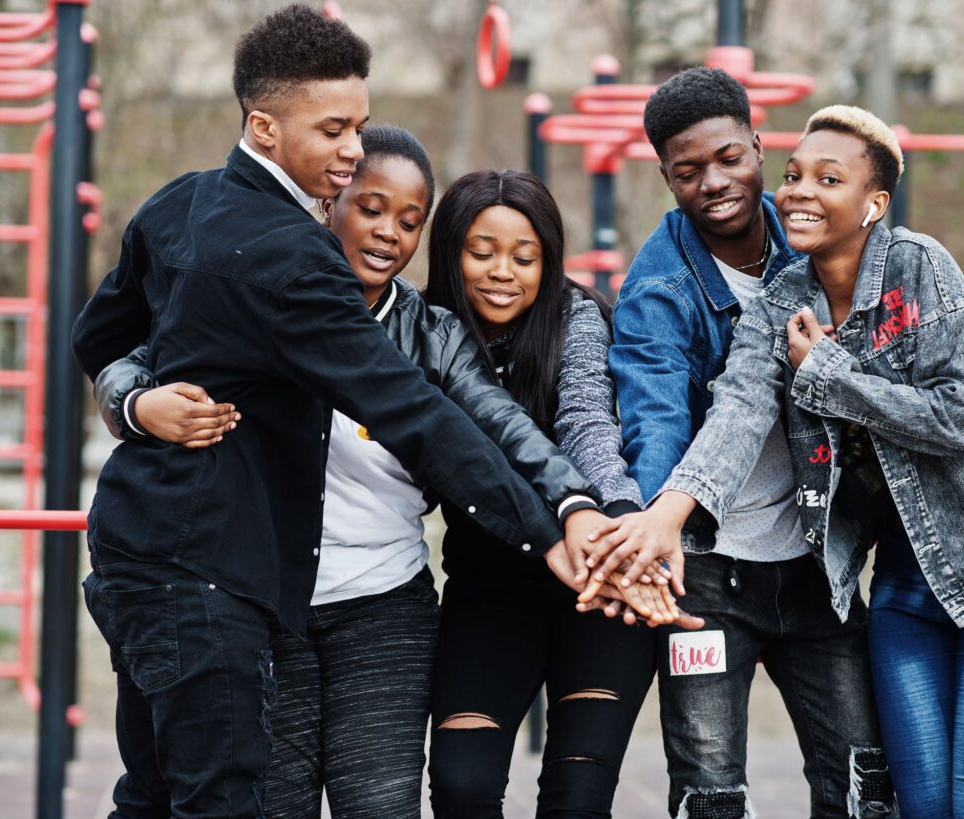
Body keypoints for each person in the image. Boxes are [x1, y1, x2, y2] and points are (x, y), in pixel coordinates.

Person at [71, 8, 619, 816]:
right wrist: (546, 532)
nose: (353, 148)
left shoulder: (180, 201)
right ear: (263, 124)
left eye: (358, 126)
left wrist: (134, 396)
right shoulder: (298, 260)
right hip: (204, 573)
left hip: (138, 551)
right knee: (218, 797)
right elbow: (411, 411)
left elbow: (99, 332)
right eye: (333, 130)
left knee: (152, 793)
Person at [596, 102, 964, 816]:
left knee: (919, 793)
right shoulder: (774, 296)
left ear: (873, 201)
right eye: (795, 174)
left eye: (826, 178)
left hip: (933, 570)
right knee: (904, 800)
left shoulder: (915, 265)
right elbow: (734, 410)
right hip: (817, 579)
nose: (798, 192)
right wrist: (663, 514)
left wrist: (830, 374)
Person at [423, 169, 694, 819]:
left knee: (578, 798)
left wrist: (625, 522)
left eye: (525, 256)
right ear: (450, 252)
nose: (502, 271)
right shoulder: (423, 333)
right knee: (461, 788)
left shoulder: (577, 316)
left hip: (598, 582)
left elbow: (587, 425)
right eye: (481, 251)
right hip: (488, 586)